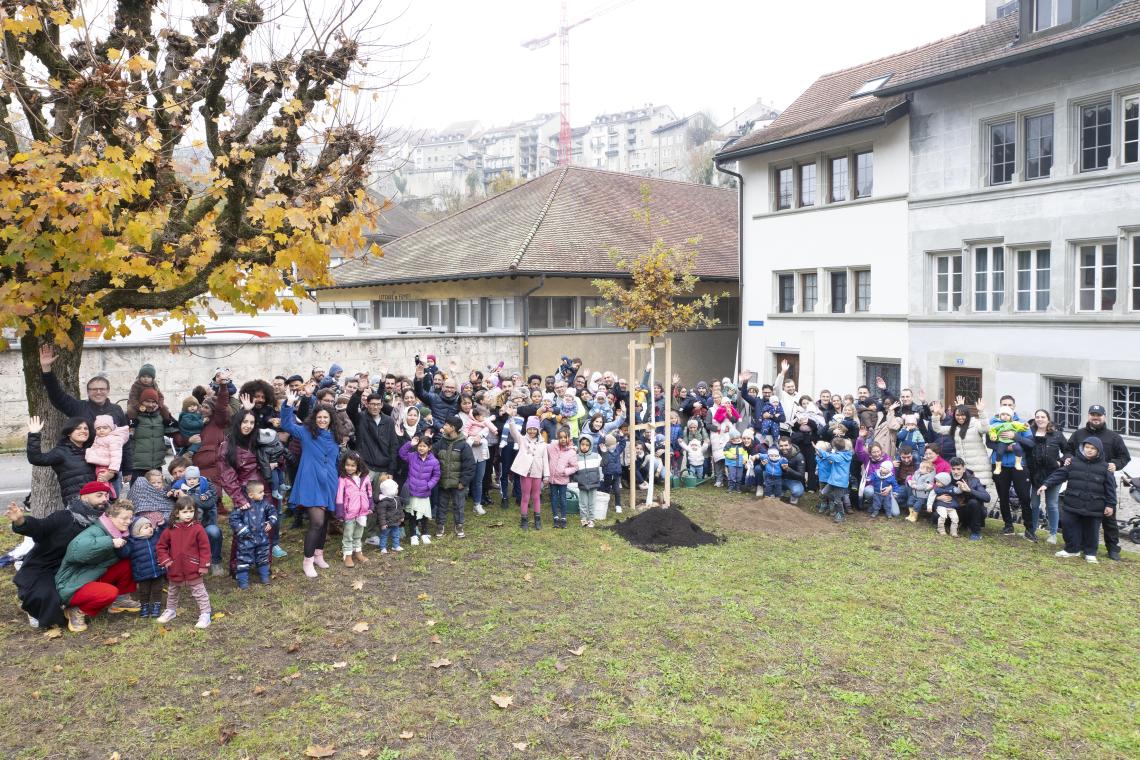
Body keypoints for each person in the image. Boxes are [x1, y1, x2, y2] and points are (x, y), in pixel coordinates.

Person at [7, 481, 114, 629]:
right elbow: (40, 527)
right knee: (45, 597)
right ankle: (36, 611)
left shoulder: (104, 521)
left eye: (106, 495)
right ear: (84, 497)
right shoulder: (64, 517)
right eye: (99, 495)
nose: (104, 499)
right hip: (47, 566)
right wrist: (21, 521)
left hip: (77, 567)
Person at [38, 344, 132, 478]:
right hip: (85, 466)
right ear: (88, 392)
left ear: (108, 391)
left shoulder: (116, 410)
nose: (98, 392)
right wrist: (46, 369)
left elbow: (125, 441)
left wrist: (127, 469)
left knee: (110, 498)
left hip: (110, 469)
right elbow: (57, 396)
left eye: (102, 389)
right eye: (94, 389)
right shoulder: (78, 407)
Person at [279, 389, 342, 578]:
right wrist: (288, 405)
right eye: (319, 417)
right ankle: (307, 560)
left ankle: (318, 554)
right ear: (315, 418)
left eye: (325, 417)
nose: (322, 420)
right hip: (311, 480)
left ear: (330, 419)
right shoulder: (306, 433)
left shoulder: (335, 436)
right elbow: (286, 424)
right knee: (316, 521)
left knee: (325, 521)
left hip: (329, 480)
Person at [55, 499, 136, 633]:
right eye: (124, 518)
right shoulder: (98, 531)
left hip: (92, 575)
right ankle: (76, 611)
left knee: (126, 564)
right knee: (109, 593)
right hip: (71, 584)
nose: (128, 522)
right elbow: (77, 551)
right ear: (111, 517)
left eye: (130, 518)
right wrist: (109, 542)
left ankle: (120, 601)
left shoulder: (117, 533)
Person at [1066, 404, 1130, 561]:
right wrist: (1067, 458)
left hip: (1103, 483)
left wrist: (1116, 464)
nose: (1095, 417)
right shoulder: (1078, 434)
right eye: (1093, 414)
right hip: (1081, 482)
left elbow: (1124, 457)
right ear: (1088, 416)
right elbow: (1067, 449)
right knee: (1080, 515)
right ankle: (1080, 546)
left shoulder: (1114, 437)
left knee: (1109, 517)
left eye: (1099, 415)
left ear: (1104, 417)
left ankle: (1112, 548)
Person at [1041, 436, 1116, 564]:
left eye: (1093, 448)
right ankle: (1071, 549)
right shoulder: (1073, 463)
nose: (1089, 450)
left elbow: (1111, 488)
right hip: (1072, 502)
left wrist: (1110, 505)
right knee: (1069, 526)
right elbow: (1060, 474)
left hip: (1094, 505)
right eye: (1087, 447)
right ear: (1082, 448)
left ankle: (1090, 552)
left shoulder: (1105, 468)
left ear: (1099, 451)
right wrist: (1046, 484)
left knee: (1092, 530)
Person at [156, 496, 213, 627]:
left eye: (191, 511)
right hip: (175, 568)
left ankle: (205, 614)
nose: (188, 515)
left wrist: (203, 565)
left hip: (193, 567)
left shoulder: (198, 529)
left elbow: (205, 548)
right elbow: (161, 546)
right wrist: (166, 560)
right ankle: (171, 610)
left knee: (199, 592)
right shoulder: (170, 529)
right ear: (177, 513)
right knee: (173, 591)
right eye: (185, 512)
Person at [929, 399, 994, 503]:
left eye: (963, 415)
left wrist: (981, 412)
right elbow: (938, 429)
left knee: (978, 496)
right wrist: (936, 415)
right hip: (964, 469)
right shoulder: (955, 428)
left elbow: (986, 429)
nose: (960, 417)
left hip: (979, 467)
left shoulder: (975, 424)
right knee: (965, 496)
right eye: (957, 415)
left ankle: (979, 517)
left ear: (967, 415)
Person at [26, 415, 96, 503]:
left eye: (86, 428)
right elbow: (36, 459)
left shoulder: (92, 450)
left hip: (98, 499)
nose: (83, 431)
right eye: (78, 428)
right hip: (77, 503)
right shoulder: (61, 452)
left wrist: (110, 475)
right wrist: (34, 434)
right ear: (69, 433)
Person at [1025, 409, 1066, 545]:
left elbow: (1069, 452)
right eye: (1037, 417)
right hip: (1035, 475)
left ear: (1048, 419)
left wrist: (1060, 462)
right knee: (1034, 504)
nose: (1040, 419)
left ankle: (1053, 533)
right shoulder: (1029, 433)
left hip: (1053, 474)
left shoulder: (1057, 435)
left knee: (1052, 505)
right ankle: (1032, 530)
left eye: (1043, 417)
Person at [433, 415, 475, 538]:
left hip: (458, 484)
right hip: (443, 482)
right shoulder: (440, 443)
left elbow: (470, 466)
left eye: (446, 425)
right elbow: (432, 456)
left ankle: (459, 525)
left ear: (453, 428)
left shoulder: (464, 446)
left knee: (458, 505)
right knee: (442, 505)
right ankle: (440, 525)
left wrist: (463, 482)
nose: (443, 427)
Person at [229, 482, 277, 587]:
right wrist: (243, 530)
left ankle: (265, 578)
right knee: (243, 560)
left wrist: (271, 522)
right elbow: (233, 519)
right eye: (260, 492)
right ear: (251, 495)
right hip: (246, 540)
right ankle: (243, 583)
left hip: (262, 538)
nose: (263, 494)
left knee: (263, 558)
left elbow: (273, 512)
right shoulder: (242, 505)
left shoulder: (265, 504)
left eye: (263, 491)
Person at [507, 414, 549, 530]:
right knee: (525, 497)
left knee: (536, 496)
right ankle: (524, 519)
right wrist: (511, 418)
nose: (531, 431)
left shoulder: (543, 444)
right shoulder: (522, 440)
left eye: (534, 429)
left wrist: (546, 475)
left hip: (537, 473)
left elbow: (545, 460)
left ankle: (537, 519)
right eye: (529, 429)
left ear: (538, 430)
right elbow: (514, 431)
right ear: (526, 429)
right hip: (526, 474)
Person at [398, 436, 440, 546]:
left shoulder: (434, 461)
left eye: (424, 446)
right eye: (419, 446)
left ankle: (425, 534)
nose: (421, 448)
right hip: (412, 491)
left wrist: (428, 485)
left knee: (424, 515)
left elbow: (436, 475)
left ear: (429, 447)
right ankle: (413, 535)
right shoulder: (412, 457)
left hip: (424, 492)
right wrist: (409, 444)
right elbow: (402, 453)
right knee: (412, 515)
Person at [937, 457, 991, 541]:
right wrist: (938, 497)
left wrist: (970, 490)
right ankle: (956, 525)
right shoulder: (946, 479)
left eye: (959, 469)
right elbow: (934, 492)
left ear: (964, 468)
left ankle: (976, 533)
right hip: (952, 509)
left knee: (974, 502)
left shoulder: (973, 480)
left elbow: (987, 498)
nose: (956, 472)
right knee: (935, 516)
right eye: (953, 469)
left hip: (968, 511)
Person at [130, 388, 177, 479]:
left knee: (156, 492)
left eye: (154, 402)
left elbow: (174, 430)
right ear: (141, 402)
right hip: (138, 466)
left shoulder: (162, 416)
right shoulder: (133, 416)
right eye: (147, 401)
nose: (151, 405)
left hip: (156, 465)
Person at [335, 452, 372, 567]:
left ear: (358, 465)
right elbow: (339, 495)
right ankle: (347, 555)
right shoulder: (343, 478)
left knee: (359, 533)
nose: (349, 468)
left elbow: (369, 492)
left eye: (353, 465)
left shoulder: (365, 477)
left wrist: (370, 505)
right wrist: (340, 511)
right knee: (348, 534)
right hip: (349, 512)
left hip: (362, 511)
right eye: (347, 465)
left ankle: (358, 552)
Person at [126, 515, 165, 618]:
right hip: (142, 573)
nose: (150, 529)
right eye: (145, 527)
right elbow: (123, 553)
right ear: (136, 531)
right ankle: (144, 606)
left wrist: (162, 525)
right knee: (144, 591)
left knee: (157, 589)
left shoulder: (156, 537)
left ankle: (156, 605)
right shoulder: (132, 542)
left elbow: (165, 533)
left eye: (150, 526)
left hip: (158, 571)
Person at [84, 415, 130, 497]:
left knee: (102, 480)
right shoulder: (98, 437)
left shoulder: (114, 439)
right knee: (102, 481)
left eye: (105, 428)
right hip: (99, 463)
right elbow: (94, 448)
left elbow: (116, 456)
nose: (101, 430)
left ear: (111, 428)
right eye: (98, 428)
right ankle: (109, 493)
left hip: (106, 466)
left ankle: (108, 495)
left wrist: (112, 470)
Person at [464, 405, 497, 516]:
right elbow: (466, 436)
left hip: (482, 456)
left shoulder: (485, 423)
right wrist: (473, 439)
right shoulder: (469, 423)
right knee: (466, 480)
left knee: (479, 480)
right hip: (469, 456)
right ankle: (460, 502)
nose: (482, 418)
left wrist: (479, 436)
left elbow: (488, 429)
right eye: (479, 416)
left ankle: (477, 504)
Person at [546, 426, 580, 529]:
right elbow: (543, 446)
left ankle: (563, 517)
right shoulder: (552, 447)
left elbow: (575, 466)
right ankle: (556, 517)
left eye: (565, 437)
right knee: (554, 498)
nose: (563, 439)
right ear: (558, 438)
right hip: (552, 479)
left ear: (569, 438)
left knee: (563, 498)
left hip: (563, 480)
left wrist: (566, 471)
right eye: (561, 437)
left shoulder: (571, 452)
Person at [814, 437, 852, 523]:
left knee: (838, 501)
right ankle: (835, 502)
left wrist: (818, 449)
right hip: (833, 481)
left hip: (839, 483)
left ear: (835, 447)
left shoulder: (841, 457)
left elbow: (829, 456)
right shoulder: (841, 454)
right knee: (823, 492)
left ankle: (841, 515)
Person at [988, 408, 1029, 473]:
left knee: (1018, 448)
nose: (1005, 416)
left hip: (1012, 441)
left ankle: (1018, 463)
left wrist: (1025, 426)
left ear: (1011, 417)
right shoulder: (996, 424)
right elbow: (992, 430)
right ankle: (998, 467)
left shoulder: (1014, 423)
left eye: (1008, 415)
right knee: (999, 452)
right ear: (999, 416)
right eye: (1003, 414)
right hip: (1002, 441)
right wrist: (993, 436)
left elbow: (1020, 427)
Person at [574, 435, 603, 527]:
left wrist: (605, 453)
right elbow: (573, 470)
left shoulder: (596, 456)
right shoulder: (576, 457)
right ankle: (583, 519)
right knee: (583, 503)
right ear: (579, 444)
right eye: (582, 444)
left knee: (592, 503)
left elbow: (604, 463)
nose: (584, 446)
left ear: (590, 446)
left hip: (593, 484)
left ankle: (591, 519)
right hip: (582, 484)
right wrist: (577, 478)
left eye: (587, 445)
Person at [374, 478, 403, 553]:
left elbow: (400, 509)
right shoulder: (383, 502)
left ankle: (395, 546)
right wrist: (383, 524)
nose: (397, 490)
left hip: (395, 521)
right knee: (384, 535)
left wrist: (401, 516)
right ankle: (383, 547)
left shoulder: (396, 499)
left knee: (396, 534)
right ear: (390, 490)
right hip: (387, 523)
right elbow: (381, 514)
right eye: (396, 489)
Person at [600, 433, 625, 515]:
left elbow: (623, 444)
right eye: (612, 445)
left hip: (616, 475)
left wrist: (621, 436)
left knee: (617, 490)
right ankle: (604, 504)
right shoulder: (604, 451)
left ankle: (618, 505)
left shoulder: (617, 449)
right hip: (607, 474)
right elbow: (599, 445)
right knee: (606, 489)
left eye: (615, 444)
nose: (614, 446)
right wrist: (602, 437)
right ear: (607, 445)